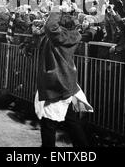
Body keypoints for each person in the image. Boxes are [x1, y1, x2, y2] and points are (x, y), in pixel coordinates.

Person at [34, 10, 93, 147]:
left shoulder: (59, 36)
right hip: (68, 83)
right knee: (72, 121)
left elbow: (50, 27)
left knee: (48, 124)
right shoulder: (74, 35)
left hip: (56, 85)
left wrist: (57, 9)